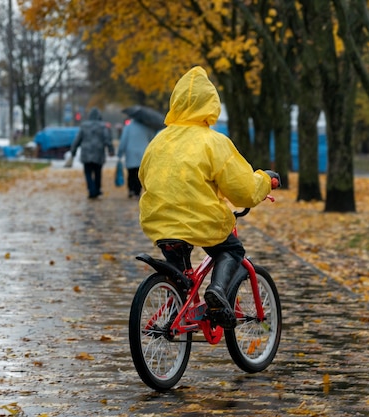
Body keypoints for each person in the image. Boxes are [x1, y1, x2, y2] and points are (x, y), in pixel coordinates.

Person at [138, 66, 280, 329]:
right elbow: (244, 190)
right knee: (231, 248)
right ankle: (217, 291)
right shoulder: (213, 142)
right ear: (210, 103)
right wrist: (264, 182)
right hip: (199, 221)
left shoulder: (159, 141)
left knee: (181, 276)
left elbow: (144, 178)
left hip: (158, 221)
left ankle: (175, 312)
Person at [70, 107, 114, 199]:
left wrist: (73, 151)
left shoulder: (84, 126)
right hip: (98, 153)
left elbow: (77, 139)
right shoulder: (102, 126)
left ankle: (91, 190)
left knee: (88, 173)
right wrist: (111, 149)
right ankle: (97, 190)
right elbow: (107, 139)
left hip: (86, 153)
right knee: (98, 172)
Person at [117, 118, 156, 198]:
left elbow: (123, 141)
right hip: (142, 152)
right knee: (139, 173)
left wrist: (120, 153)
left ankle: (131, 190)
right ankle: (137, 192)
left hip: (130, 153)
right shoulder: (146, 127)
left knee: (131, 173)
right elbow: (152, 137)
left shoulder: (128, 128)